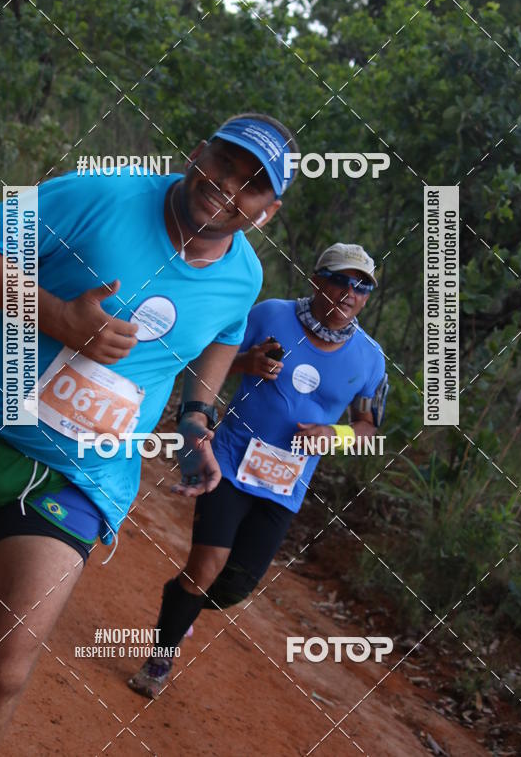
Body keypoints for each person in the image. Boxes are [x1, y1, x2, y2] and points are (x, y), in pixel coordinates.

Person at [0, 112, 299, 754]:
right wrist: (56, 317)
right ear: (197, 152)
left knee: (4, 672)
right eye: (225, 162)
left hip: (84, 476)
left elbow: (219, 343)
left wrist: (195, 421)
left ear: (266, 212)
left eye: (251, 185)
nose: (227, 186)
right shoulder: (96, 192)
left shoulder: (245, 276)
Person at [129, 243, 389, 698]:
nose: (350, 293)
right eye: (341, 280)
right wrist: (246, 363)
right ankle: (160, 658)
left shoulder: (369, 358)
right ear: (317, 280)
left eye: (362, 285)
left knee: (235, 586)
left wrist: (336, 435)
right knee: (206, 566)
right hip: (229, 461)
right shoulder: (270, 315)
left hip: (285, 485)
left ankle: (181, 602)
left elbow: (368, 425)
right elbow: (207, 360)